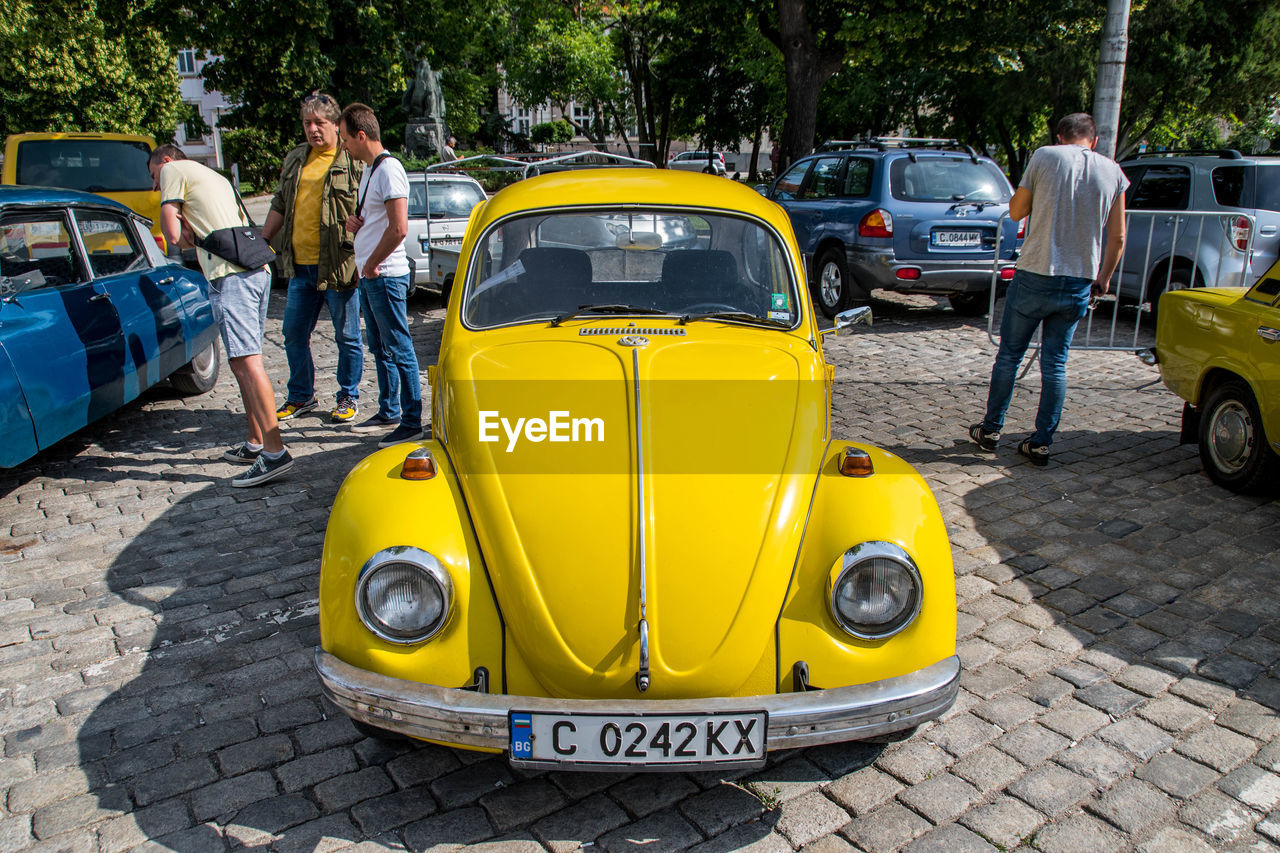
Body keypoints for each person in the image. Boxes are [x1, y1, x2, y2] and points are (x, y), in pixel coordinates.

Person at [970, 113, 1128, 466]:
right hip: (1079, 278)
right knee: (1056, 363)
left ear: (1060, 136)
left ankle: (992, 429)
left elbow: (1015, 211)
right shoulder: (1113, 171)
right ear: (1095, 140)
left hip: (1036, 271)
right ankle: (1042, 441)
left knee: (1010, 355)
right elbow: (1117, 237)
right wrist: (1103, 278)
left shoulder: (1045, 156)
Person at [148, 144, 294, 487]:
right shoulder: (214, 176)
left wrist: (180, 224)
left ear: (166, 161)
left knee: (246, 361)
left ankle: (274, 452)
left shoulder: (174, 171)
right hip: (255, 270)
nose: (156, 186)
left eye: (154, 176)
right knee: (244, 361)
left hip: (230, 275)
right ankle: (256, 441)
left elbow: (172, 237)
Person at [261, 92, 365, 425]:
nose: (313, 129)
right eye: (307, 123)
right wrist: (261, 242)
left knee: (346, 336)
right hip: (300, 267)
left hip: (339, 265)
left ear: (336, 125)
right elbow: (279, 204)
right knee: (293, 333)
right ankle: (301, 395)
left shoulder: (353, 160)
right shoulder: (296, 159)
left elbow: (371, 210)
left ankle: (348, 395)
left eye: (320, 122)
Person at [339, 103, 424, 447]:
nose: (343, 146)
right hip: (372, 273)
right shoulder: (370, 171)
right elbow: (376, 219)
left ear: (361, 135)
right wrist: (355, 224)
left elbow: (399, 228)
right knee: (380, 347)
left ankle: (412, 420)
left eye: (345, 139)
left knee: (399, 347)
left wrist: (372, 263)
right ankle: (389, 409)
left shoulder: (389, 170)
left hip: (385, 274)